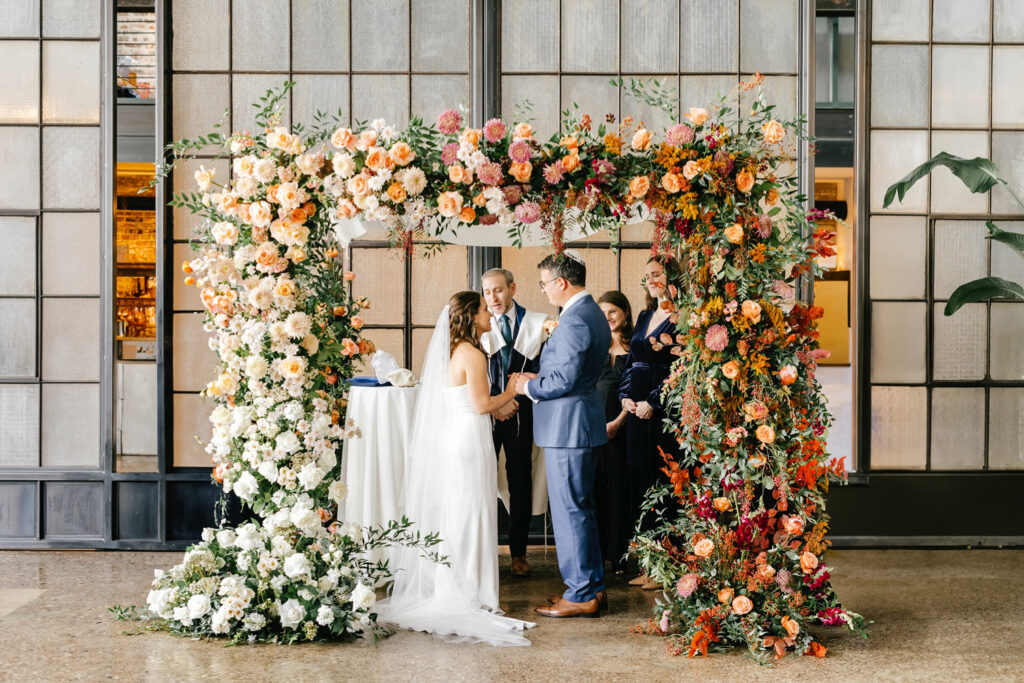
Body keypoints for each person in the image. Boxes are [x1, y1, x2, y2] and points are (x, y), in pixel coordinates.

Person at [377, 291, 534, 646]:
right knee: (471, 513)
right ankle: (470, 594)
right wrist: (512, 389)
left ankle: (459, 587)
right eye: (482, 309)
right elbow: (481, 405)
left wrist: (500, 400)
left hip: (456, 436)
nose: (489, 314)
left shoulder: (452, 350)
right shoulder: (472, 353)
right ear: (469, 316)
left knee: (459, 514)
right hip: (468, 441)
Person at [514, 251, 610, 619]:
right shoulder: (588, 315)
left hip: (568, 428)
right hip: (575, 425)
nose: (542, 291)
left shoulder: (575, 321)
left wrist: (528, 386)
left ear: (561, 283)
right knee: (580, 510)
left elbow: (564, 379)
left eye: (543, 283)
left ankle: (582, 592)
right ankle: (591, 587)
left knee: (572, 512)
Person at [618, 256, 684, 589]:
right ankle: (647, 562)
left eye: (656, 274)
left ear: (672, 277)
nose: (650, 280)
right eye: (646, 275)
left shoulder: (682, 318)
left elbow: (681, 370)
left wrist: (654, 403)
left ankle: (667, 565)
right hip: (636, 412)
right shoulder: (645, 316)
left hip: (663, 414)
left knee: (663, 484)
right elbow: (632, 363)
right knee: (640, 483)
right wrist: (625, 397)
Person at [480, 268, 547, 578]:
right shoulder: (478, 322)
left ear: (512, 288)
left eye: (498, 290)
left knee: (520, 480)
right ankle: (481, 551)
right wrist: (495, 405)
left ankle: (518, 554)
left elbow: (540, 369)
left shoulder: (536, 323)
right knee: (480, 480)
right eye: (487, 292)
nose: (493, 298)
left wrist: (513, 401)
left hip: (521, 411)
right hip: (486, 414)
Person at [594, 290, 633, 576]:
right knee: (593, 492)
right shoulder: (594, 348)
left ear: (625, 314)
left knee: (619, 491)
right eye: (602, 313)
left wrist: (618, 422)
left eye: (613, 312)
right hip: (591, 432)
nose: (607, 318)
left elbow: (635, 392)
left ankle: (619, 557)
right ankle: (596, 555)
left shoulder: (633, 350)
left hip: (621, 429)